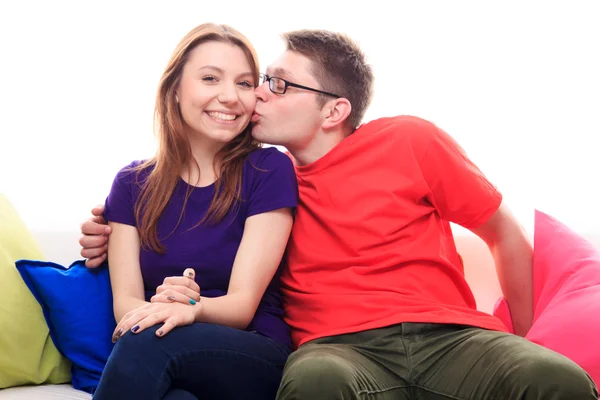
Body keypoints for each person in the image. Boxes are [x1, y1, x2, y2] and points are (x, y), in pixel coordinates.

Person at [81, 29, 599, 399]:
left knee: (557, 378)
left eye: (277, 84)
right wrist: (108, 231)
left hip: (451, 337)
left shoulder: (406, 140)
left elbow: (502, 230)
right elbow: (183, 205)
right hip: (337, 350)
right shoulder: (271, 176)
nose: (256, 94)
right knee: (313, 382)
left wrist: (523, 339)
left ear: (334, 110)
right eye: (263, 80)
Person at [90, 23, 298, 400]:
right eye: (210, 78)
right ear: (174, 91)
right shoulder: (131, 184)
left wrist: (192, 307)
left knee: (149, 340)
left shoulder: (269, 169)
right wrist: (168, 307)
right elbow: (126, 304)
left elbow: (241, 305)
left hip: (251, 348)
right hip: (162, 344)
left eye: (245, 83)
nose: (230, 97)